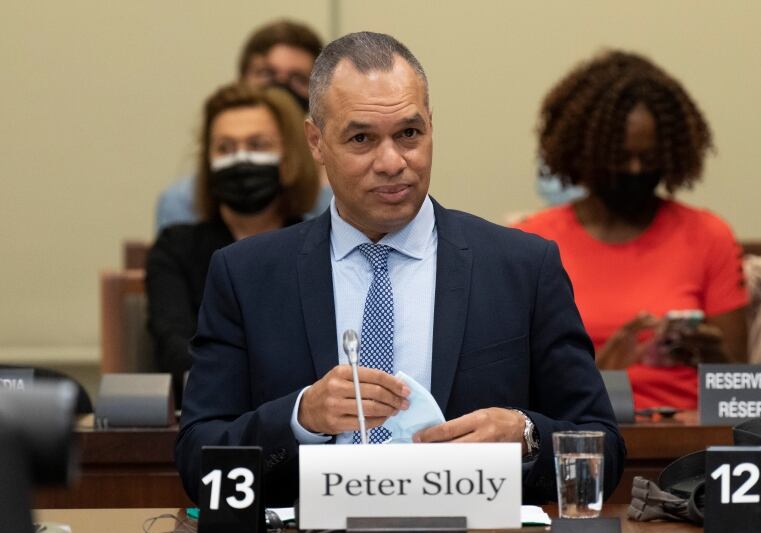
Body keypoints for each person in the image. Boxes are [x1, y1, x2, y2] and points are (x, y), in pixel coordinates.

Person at [176, 32, 624, 506]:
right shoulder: (246, 276)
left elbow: (604, 449)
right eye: (362, 138)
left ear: (431, 126)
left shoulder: (522, 268)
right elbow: (197, 461)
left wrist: (527, 435)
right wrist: (299, 418)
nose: (392, 162)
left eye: (409, 134)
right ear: (316, 141)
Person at [515, 51, 748, 411]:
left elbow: (743, 401)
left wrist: (714, 357)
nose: (636, 170)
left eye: (650, 159)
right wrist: (597, 375)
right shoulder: (533, 243)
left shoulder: (707, 236)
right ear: (584, 153)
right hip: (582, 438)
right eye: (620, 158)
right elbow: (519, 392)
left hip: (689, 446)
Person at [146, 83, 320, 406]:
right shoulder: (176, 248)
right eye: (224, 148)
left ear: (288, 159)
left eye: (257, 144)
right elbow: (173, 350)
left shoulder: (321, 245)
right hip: (209, 425)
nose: (241, 159)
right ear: (208, 165)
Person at [155, 19, 329, 231]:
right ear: (242, 80)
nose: (280, 88)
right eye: (266, 74)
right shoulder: (183, 201)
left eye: (298, 79)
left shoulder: (337, 197)